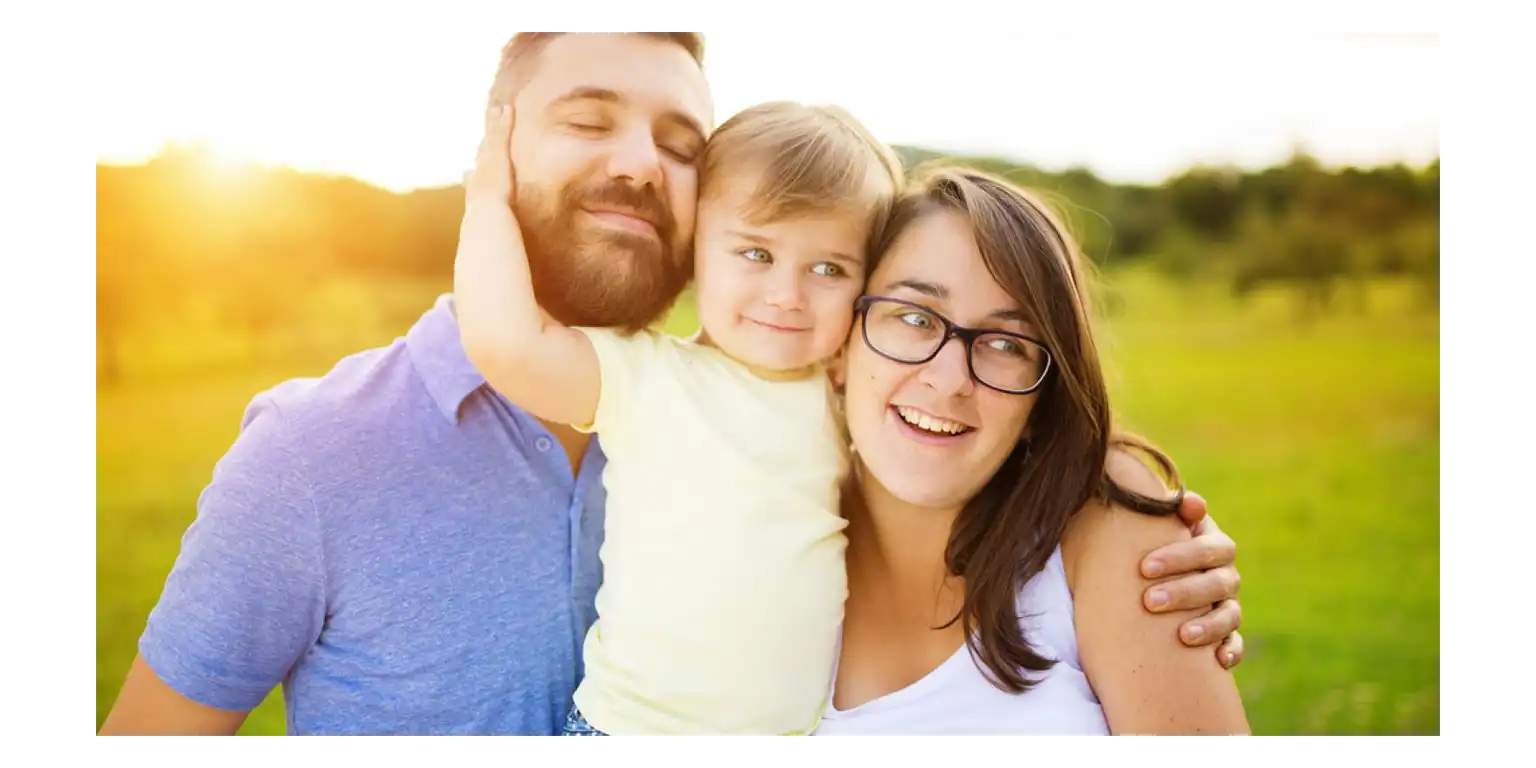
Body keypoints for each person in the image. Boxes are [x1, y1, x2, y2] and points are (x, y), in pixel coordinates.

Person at [98, 32, 1243, 737]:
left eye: (682, 144)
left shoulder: (835, 425)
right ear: (493, 151)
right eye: (587, 118)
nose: (639, 162)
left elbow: (968, 414)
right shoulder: (315, 454)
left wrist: (1136, 519)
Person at [455, 84, 903, 734]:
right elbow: (508, 345)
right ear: (695, 251)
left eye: (830, 270)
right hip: (629, 729)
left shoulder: (846, 399)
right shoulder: (651, 374)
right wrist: (488, 202)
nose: (786, 295)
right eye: (756, 253)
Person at [814, 165, 1249, 734]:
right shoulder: (757, 541)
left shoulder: (1105, 528)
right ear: (840, 346)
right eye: (916, 318)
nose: (950, 379)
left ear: (1042, 398)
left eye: (1005, 343)